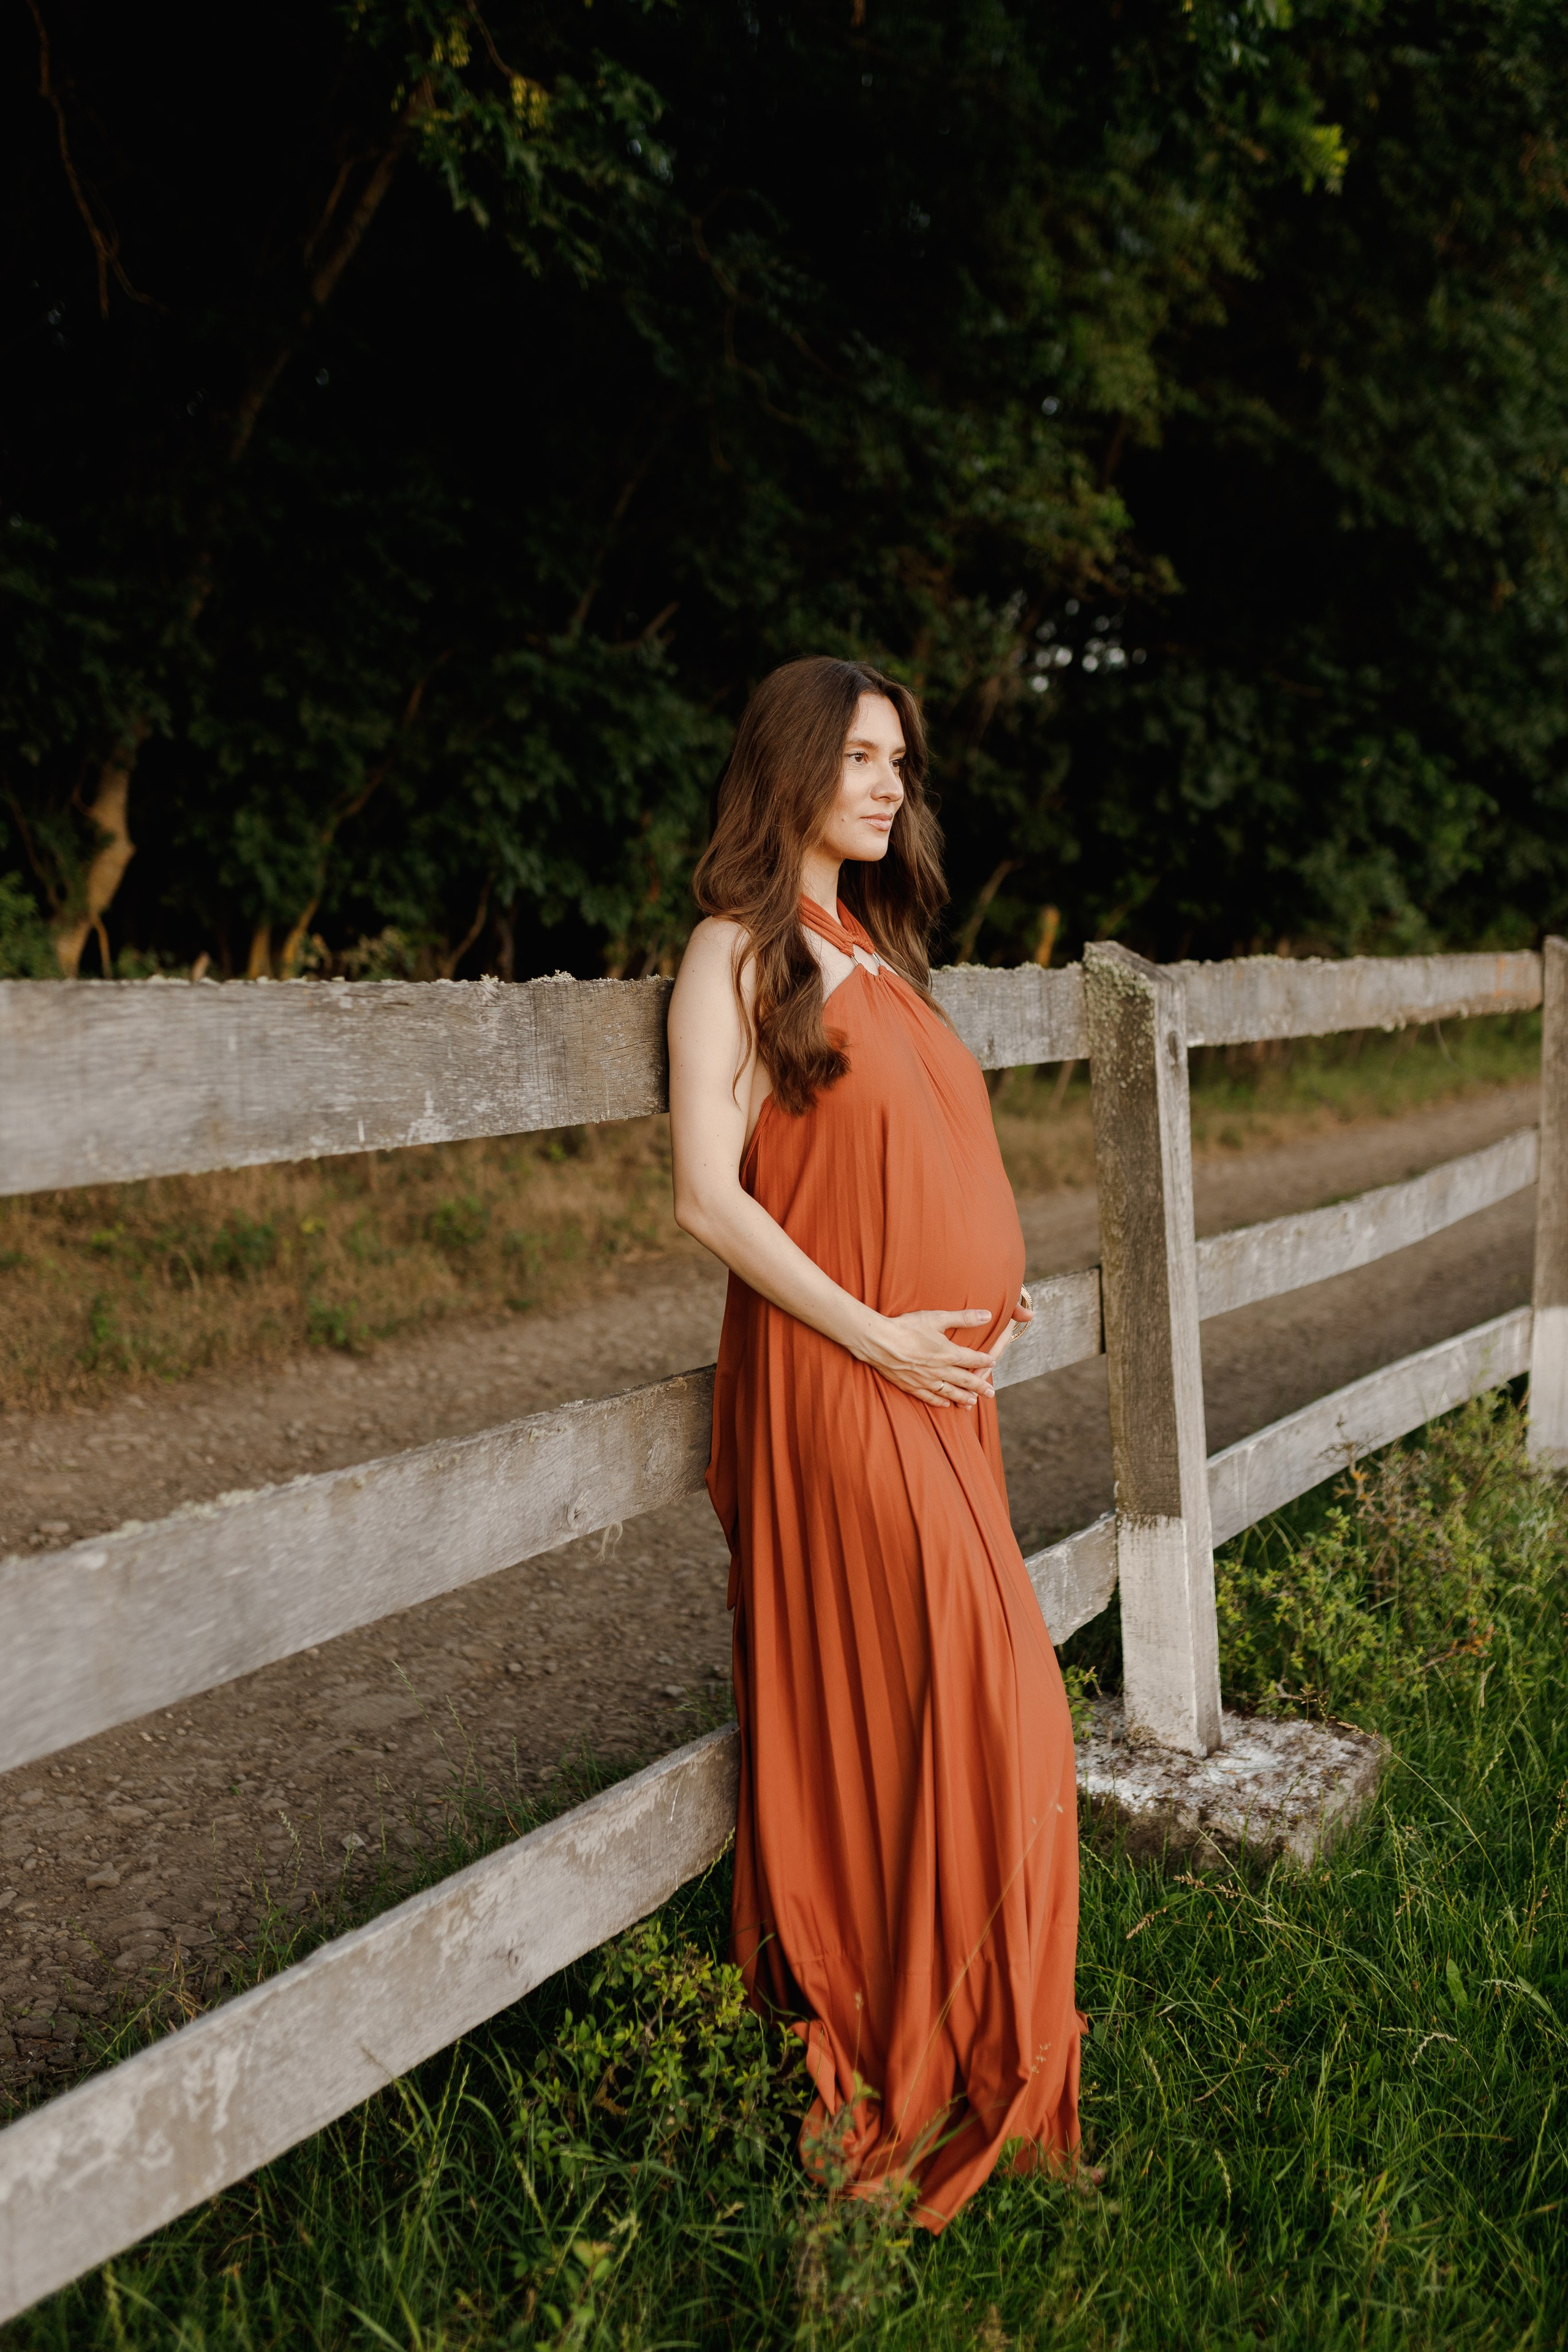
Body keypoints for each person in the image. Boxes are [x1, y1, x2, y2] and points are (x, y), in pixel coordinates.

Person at [666, 655, 1083, 2230]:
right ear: (786, 769)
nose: (887, 779)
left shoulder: (882, 947)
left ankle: (973, 2037)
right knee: (992, 1707)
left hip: (939, 1383)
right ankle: (907, 2035)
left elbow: (914, 1161)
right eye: (857, 754)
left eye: (897, 757)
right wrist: (876, 1330)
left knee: (969, 1711)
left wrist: (982, 1289)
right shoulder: (740, 951)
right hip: (843, 1385)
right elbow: (711, 1198)